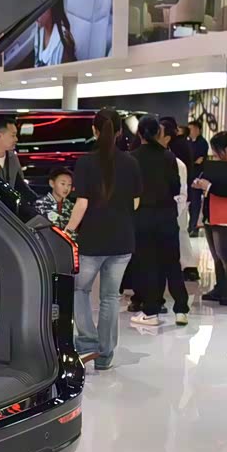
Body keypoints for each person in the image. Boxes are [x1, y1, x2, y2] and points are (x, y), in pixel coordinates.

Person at [67, 109, 142, 370]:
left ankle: (88, 342)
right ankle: (105, 354)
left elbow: (82, 203)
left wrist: (68, 230)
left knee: (79, 290)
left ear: (94, 130)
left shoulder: (85, 162)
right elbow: (136, 202)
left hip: (93, 239)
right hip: (122, 239)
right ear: (120, 131)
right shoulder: (131, 162)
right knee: (110, 297)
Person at [130, 116, 189, 327]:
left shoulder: (133, 158)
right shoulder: (169, 156)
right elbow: (175, 187)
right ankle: (181, 310)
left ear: (139, 133)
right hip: (166, 215)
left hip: (143, 216)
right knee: (172, 262)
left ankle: (151, 312)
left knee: (148, 265)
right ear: (158, 133)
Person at [193, 131, 227, 306]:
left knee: (225, 254)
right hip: (213, 215)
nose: (215, 154)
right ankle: (221, 287)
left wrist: (209, 186)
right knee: (217, 255)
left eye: (218, 150)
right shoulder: (220, 164)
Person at [161, 116, 197, 283]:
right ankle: (187, 267)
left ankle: (185, 267)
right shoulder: (183, 144)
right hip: (181, 197)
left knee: (180, 232)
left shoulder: (175, 151)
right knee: (181, 232)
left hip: (176, 200)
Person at [35, 2, 75, 66]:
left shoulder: (63, 42)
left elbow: (67, 71)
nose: (35, 14)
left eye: (40, 8)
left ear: (51, 7)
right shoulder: (39, 31)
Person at [186, 119, 209, 235]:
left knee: (195, 202)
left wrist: (192, 162)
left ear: (197, 130)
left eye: (191, 129)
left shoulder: (202, 143)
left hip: (198, 176)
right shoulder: (188, 142)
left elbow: (199, 160)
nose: (190, 131)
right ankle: (191, 225)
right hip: (189, 175)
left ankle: (194, 226)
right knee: (190, 202)